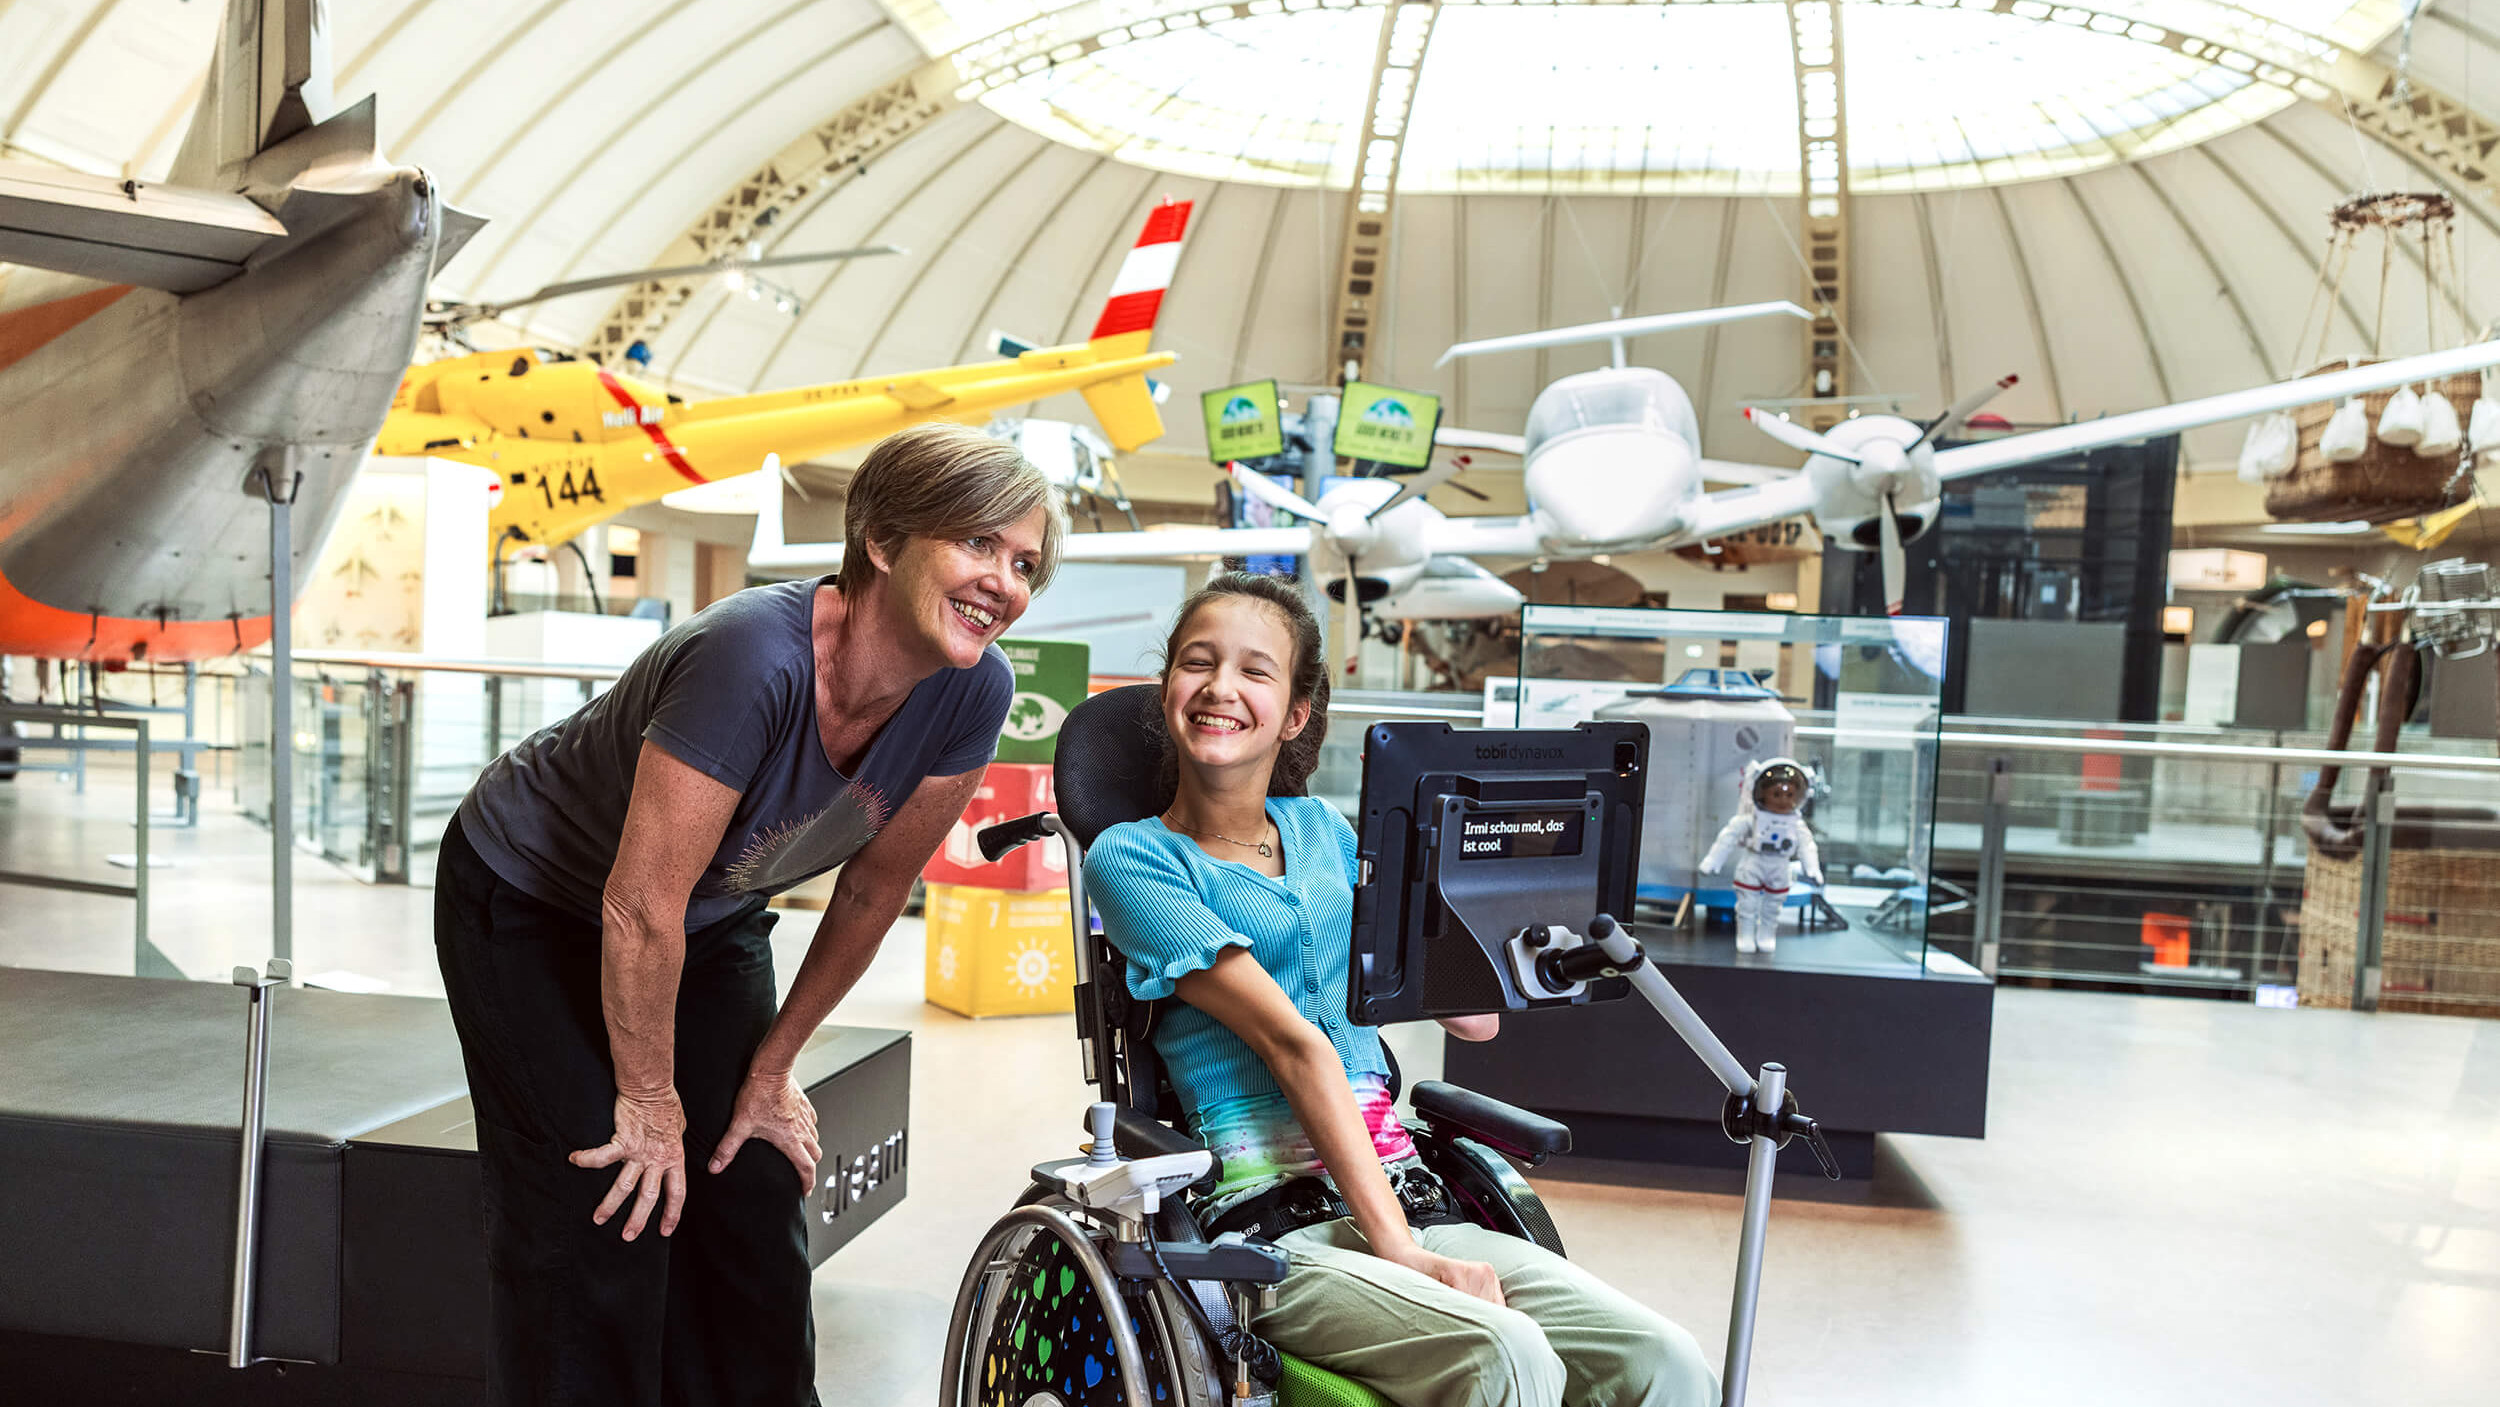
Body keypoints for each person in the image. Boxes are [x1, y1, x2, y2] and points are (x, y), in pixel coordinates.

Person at [434, 422, 1063, 1407]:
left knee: (754, 1184)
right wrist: (648, 1103)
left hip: (710, 916)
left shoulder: (973, 692)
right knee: (606, 1203)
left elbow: (869, 889)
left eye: (1024, 562)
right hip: (531, 900)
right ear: (884, 541)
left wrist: (769, 1072)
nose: (1004, 581)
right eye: (977, 543)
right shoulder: (751, 657)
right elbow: (639, 908)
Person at [1084, 574, 1719, 1407]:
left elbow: (1474, 1017)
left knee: (1666, 1359)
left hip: (1410, 1189)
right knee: (1505, 1353)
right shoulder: (1133, 859)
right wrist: (1401, 1251)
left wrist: (1498, 888)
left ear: (1297, 713)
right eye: (1198, 663)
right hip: (1271, 1230)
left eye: (1255, 671)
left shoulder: (1327, 832)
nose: (1220, 689)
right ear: (1168, 684)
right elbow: (1293, 1042)